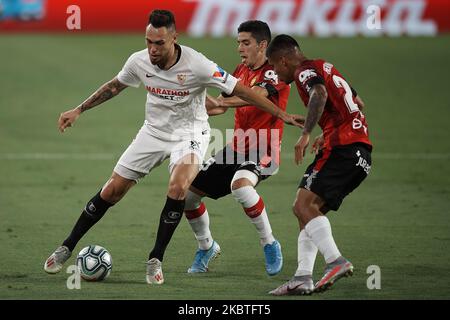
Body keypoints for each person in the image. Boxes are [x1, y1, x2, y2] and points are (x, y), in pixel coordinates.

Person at [43, 11, 302, 285]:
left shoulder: (199, 64)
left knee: (182, 187)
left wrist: (282, 114)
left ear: (174, 38)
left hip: (194, 134)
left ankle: (157, 259)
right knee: (114, 190)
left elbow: (245, 92)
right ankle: (66, 247)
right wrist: (79, 109)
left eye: (159, 43)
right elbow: (115, 86)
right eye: (149, 42)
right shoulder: (138, 61)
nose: (153, 49)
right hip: (154, 132)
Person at [182, 20, 295, 276]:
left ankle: (269, 243)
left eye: (246, 43)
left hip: (264, 149)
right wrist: (194, 99)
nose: (240, 48)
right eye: (238, 43)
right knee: (187, 195)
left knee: (241, 186)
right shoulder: (240, 70)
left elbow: (253, 96)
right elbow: (222, 105)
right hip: (234, 148)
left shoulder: (273, 73)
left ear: (262, 45)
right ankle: (206, 246)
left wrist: (217, 100)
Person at [265, 35, 372, 295]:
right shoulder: (325, 66)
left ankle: (335, 261)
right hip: (360, 153)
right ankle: (303, 277)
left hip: (343, 150)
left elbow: (320, 92)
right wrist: (330, 129)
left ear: (283, 60)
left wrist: (306, 133)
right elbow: (357, 103)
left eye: (275, 67)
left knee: (302, 206)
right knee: (308, 212)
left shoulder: (303, 72)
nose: (276, 74)